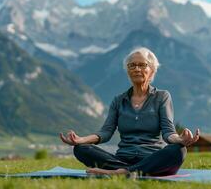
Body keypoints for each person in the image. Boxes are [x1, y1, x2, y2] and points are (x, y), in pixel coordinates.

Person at [60, 47, 200, 176]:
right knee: (80, 149)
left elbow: (168, 131)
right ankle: (130, 171)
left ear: (152, 70)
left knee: (178, 150)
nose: (136, 69)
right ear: (128, 71)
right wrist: (80, 140)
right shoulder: (118, 100)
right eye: (132, 65)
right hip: (123, 158)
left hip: (152, 158)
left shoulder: (162, 97)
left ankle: (119, 172)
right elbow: (106, 132)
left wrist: (180, 140)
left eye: (142, 65)